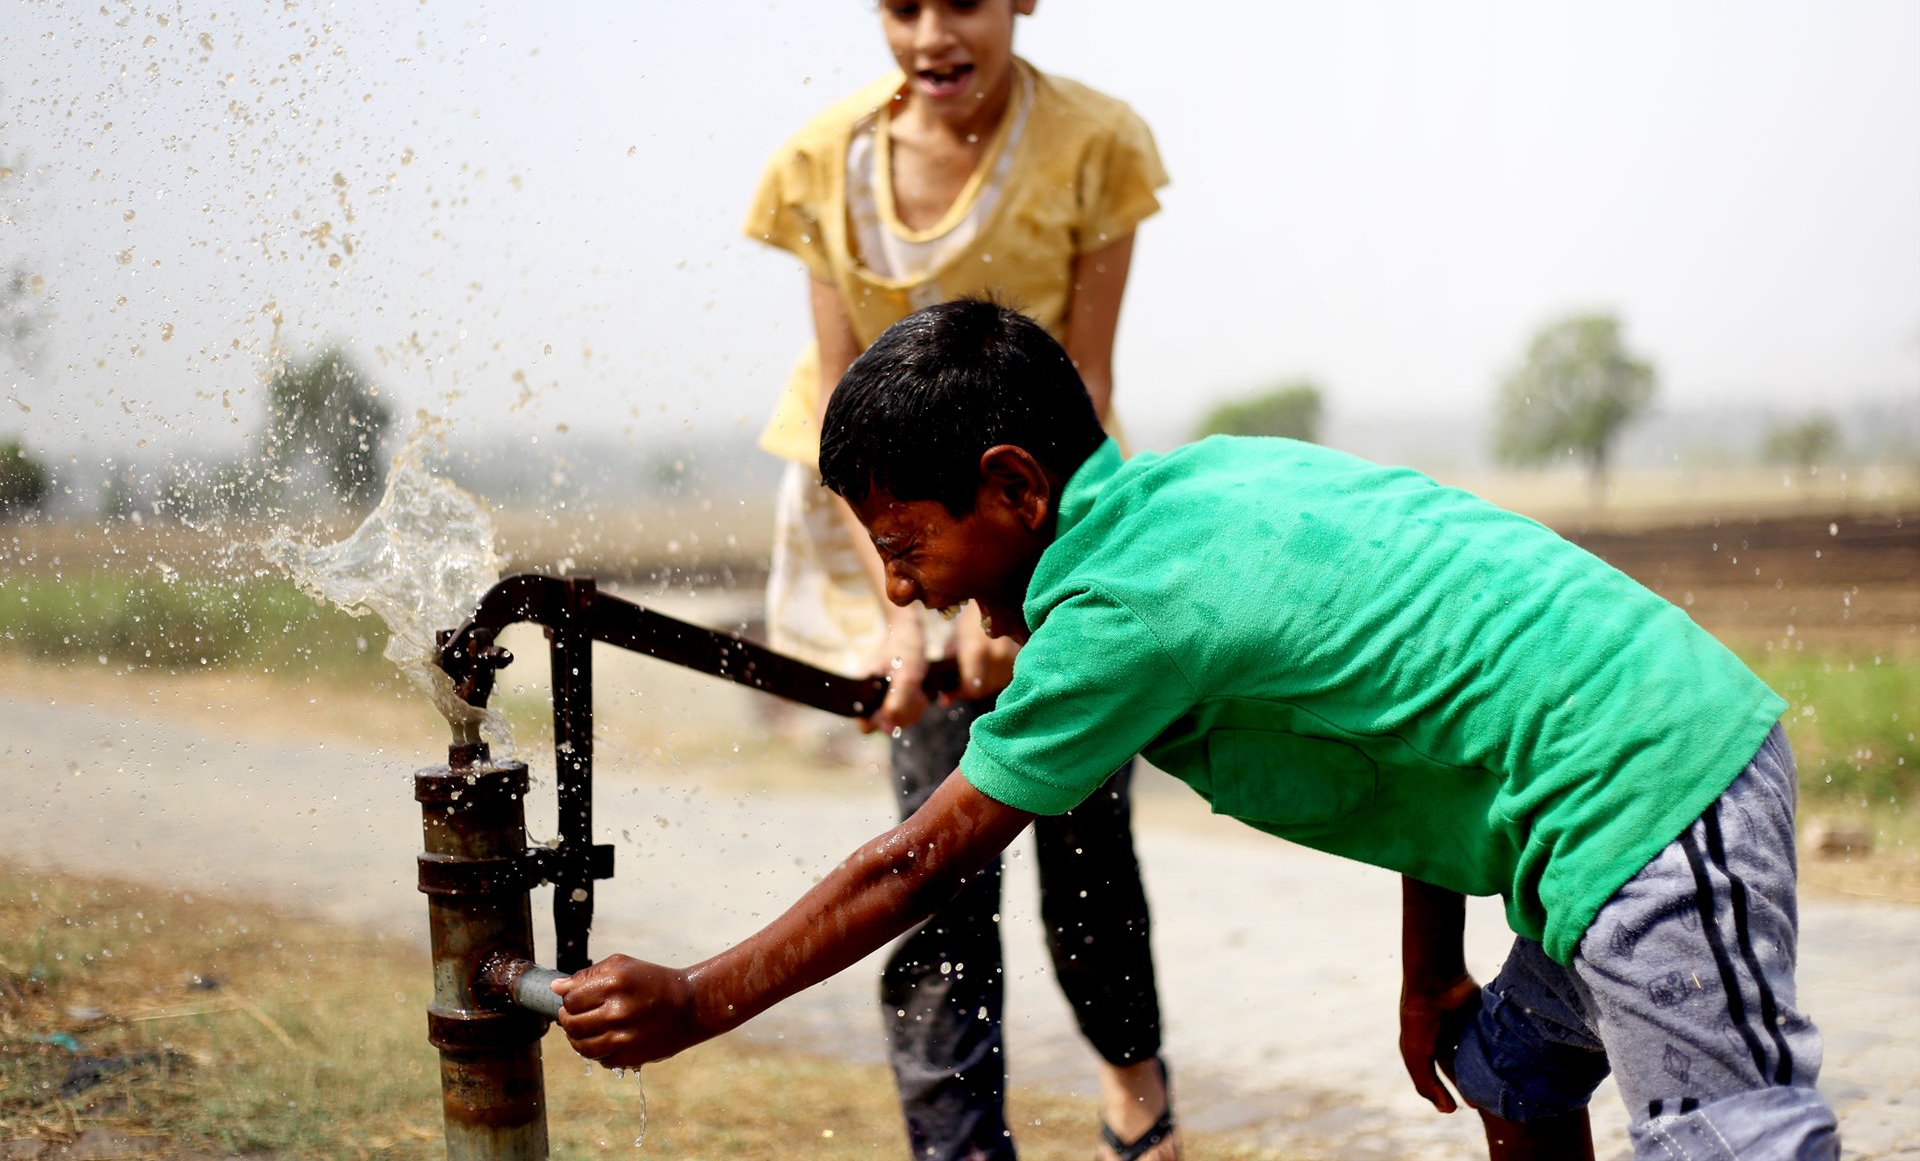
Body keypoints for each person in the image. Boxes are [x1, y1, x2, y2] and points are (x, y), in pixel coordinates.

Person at [557, 301, 1842, 1161]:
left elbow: (915, 860)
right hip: (1629, 786)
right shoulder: (1210, 482)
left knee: (1733, 1139)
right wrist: (1428, 969)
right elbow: (1411, 707)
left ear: (1015, 485)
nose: (904, 590)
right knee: (1509, 1068)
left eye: (908, 545)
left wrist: (693, 995)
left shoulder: (1118, 613)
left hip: (1652, 806)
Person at [739, 0, 1174, 1158]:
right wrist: (908, 628)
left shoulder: (1097, 144)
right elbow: (838, 413)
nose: (935, 34)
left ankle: (1138, 1094)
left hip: (1057, 520)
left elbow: (1085, 388)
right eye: (902, 3)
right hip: (892, 542)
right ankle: (956, 1146)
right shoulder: (827, 162)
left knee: (1086, 841)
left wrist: (1028, 605)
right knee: (934, 861)